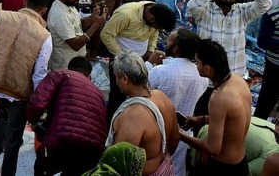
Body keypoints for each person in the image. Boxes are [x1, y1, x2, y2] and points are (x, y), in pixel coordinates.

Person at [0, 0, 51, 176]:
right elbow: (39, 75)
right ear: (44, 11)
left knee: (2, 116)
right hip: (20, 93)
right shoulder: (44, 36)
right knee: (14, 140)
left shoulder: (2, 17)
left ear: (24, 2)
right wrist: (38, 103)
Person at [180, 39, 252, 175]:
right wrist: (202, 119)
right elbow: (233, 119)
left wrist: (178, 135)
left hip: (223, 167)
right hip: (241, 163)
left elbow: (213, 148)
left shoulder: (219, 98)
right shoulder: (238, 80)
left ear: (207, 69)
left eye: (197, 62)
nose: (196, 66)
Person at [27, 56, 108, 176]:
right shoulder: (99, 93)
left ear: (69, 68)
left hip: (62, 139)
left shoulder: (60, 74)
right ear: (90, 77)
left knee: (41, 165)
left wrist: (33, 121)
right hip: (93, 149)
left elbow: (37, 103)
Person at [108, 51, 180, 176]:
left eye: (116, 77)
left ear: (124, 78)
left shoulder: (132, 115)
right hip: (165, 167)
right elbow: (175, 140)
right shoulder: (161, 97)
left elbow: (119, 165)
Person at [146, 29, 207, 176]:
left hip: (156, 133)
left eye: (169, 40)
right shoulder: (202, 77)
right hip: (182, 137)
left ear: (176, 49)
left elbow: (138, 91)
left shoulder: (160, 71)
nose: (166, 42)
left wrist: (149, 63)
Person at [187, 0, 271, 77]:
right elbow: (192, 5)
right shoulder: (204, 10)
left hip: (235, 76)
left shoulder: (242, 11)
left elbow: (266, 4)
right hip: (208, 78)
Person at [47, 0, 106, 69]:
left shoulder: (68, 4)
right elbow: (75, 45)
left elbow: (81, 24)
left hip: (76, 63)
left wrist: (94, 16)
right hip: (66, 67)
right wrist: (96, 25)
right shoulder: (60, 15)